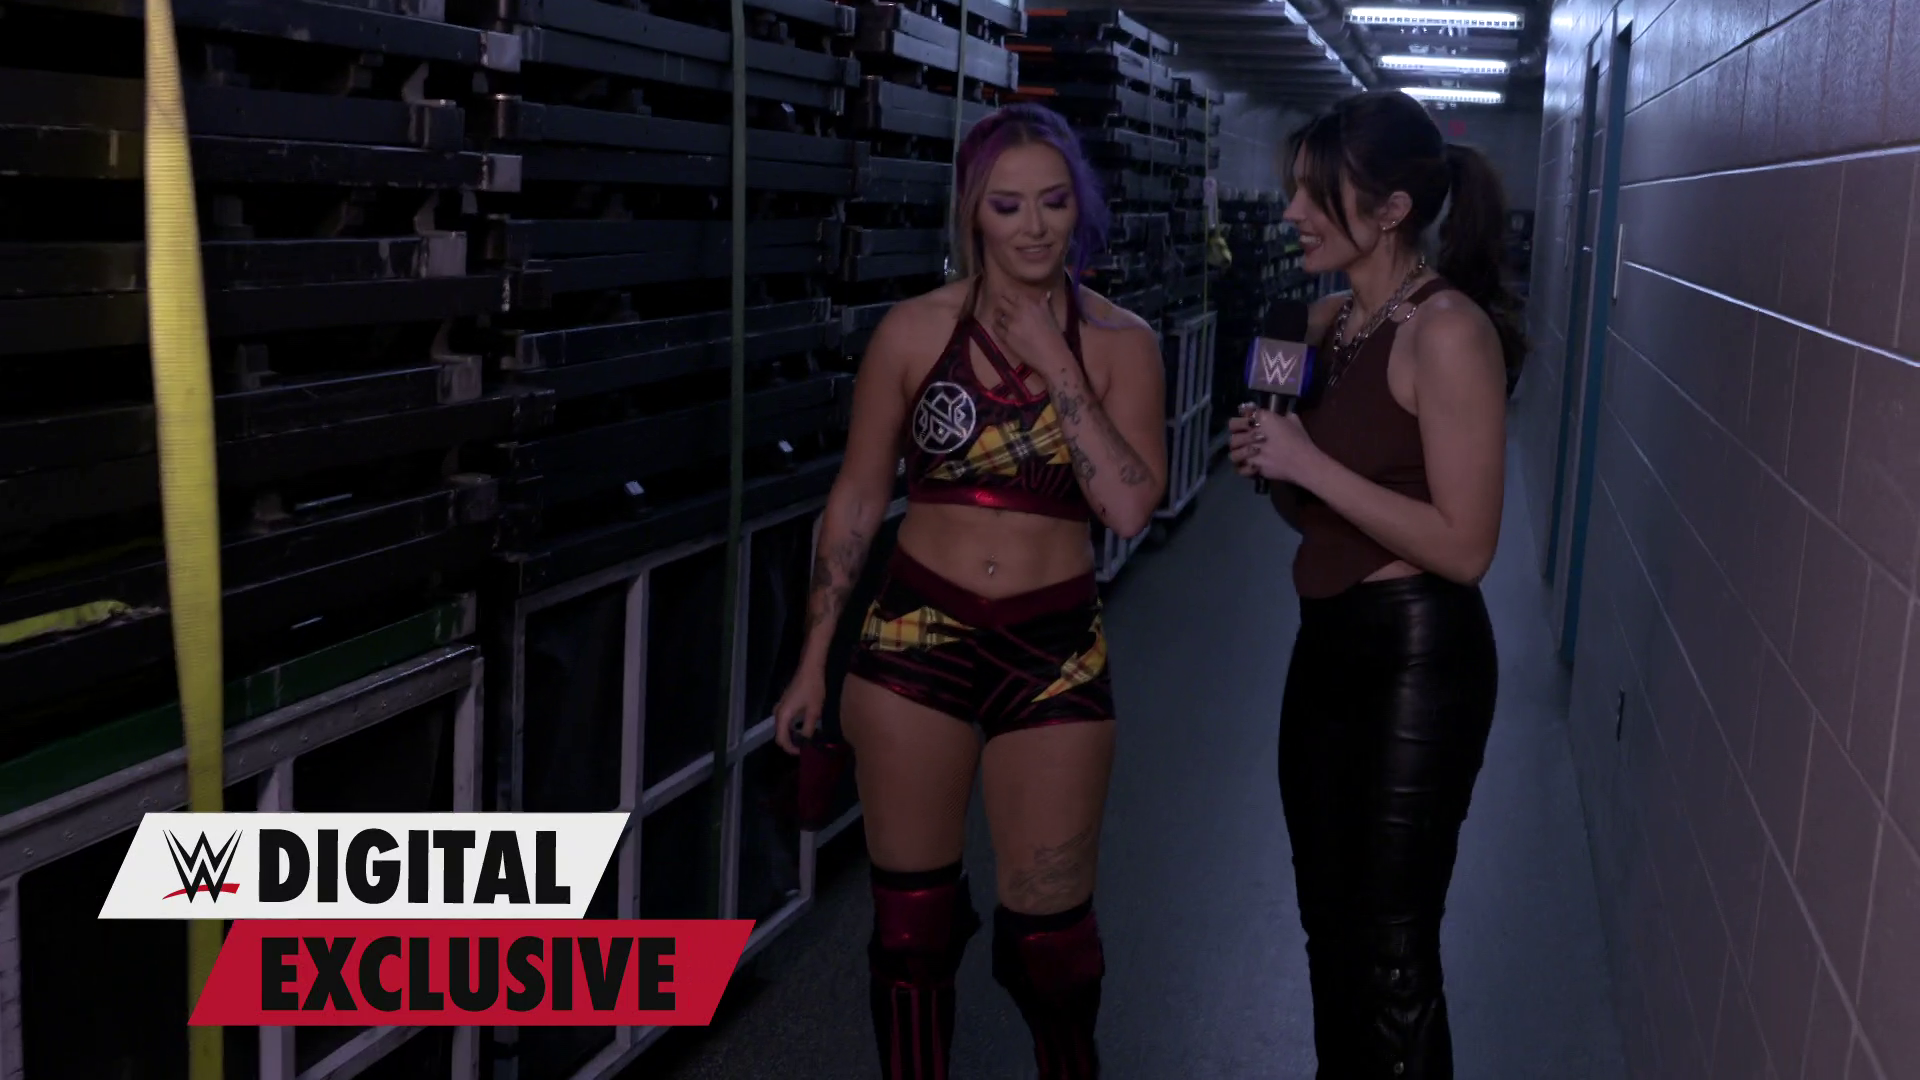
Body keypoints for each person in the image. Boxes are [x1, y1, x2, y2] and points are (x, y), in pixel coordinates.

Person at [772, 102, 1167, 1080]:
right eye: (1007, 205)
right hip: (915, 639)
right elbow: (857, 499)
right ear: (972, 213)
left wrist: (1056, 361)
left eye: (1053, 203)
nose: (1033, 227)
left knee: (1054, 948)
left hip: (1053, 651)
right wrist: (814, 661)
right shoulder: (914, 333)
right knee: (912, 931)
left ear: (1081, 210)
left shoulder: (1122, 344)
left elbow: (1126, 506)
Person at [1227, 90, 1523, 1079]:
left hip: (1417, 659)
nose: (1292, 214)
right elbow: (1304, 508)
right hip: (1325, 641)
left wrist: (1308, 463)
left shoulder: (1448, 332)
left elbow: (1467, 547)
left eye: (1316, 196)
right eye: (1293, 192)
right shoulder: (1315, 323)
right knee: (1328, 927)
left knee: (1392, 952)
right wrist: (1270, 459)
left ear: (1392, 210)